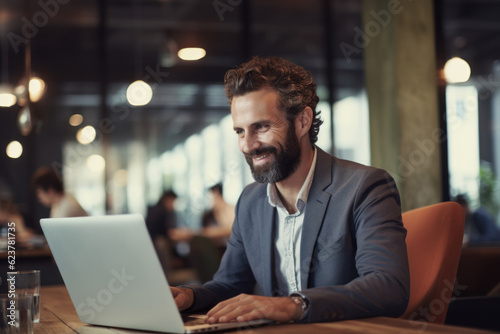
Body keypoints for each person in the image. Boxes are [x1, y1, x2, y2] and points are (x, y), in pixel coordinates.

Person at [171, 56, 409, 324]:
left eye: (261, 127)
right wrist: (187, 296)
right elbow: (229, 284)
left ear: (303, 121)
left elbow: (389, 287)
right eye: (240, 131)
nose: (248, 145)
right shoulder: (250, 201)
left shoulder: (365, 187)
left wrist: (292, 306)